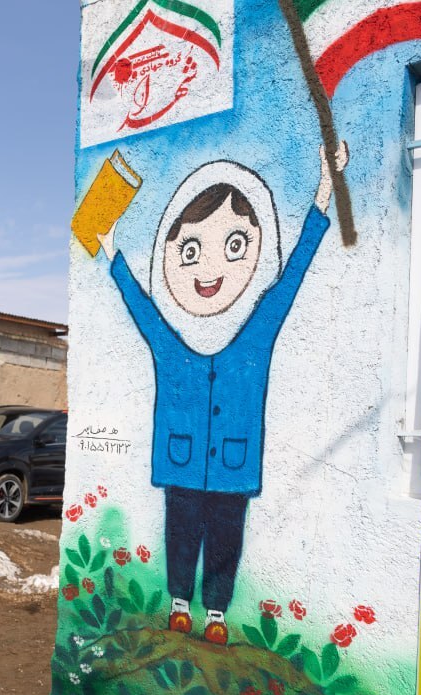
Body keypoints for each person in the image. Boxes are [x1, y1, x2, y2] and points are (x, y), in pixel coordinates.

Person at [97, 144, 346, 644]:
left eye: (235, 245)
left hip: (232, 465)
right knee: (182, 533)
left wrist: (324, 191)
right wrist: (111, 250)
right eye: (190, 250)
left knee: (226, 539)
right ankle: (180, 603)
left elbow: (290, 279)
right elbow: (143, 309)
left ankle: (215, 613)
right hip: (183, 460)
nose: (209, 269)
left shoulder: (254, 334)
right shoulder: (172, 345)